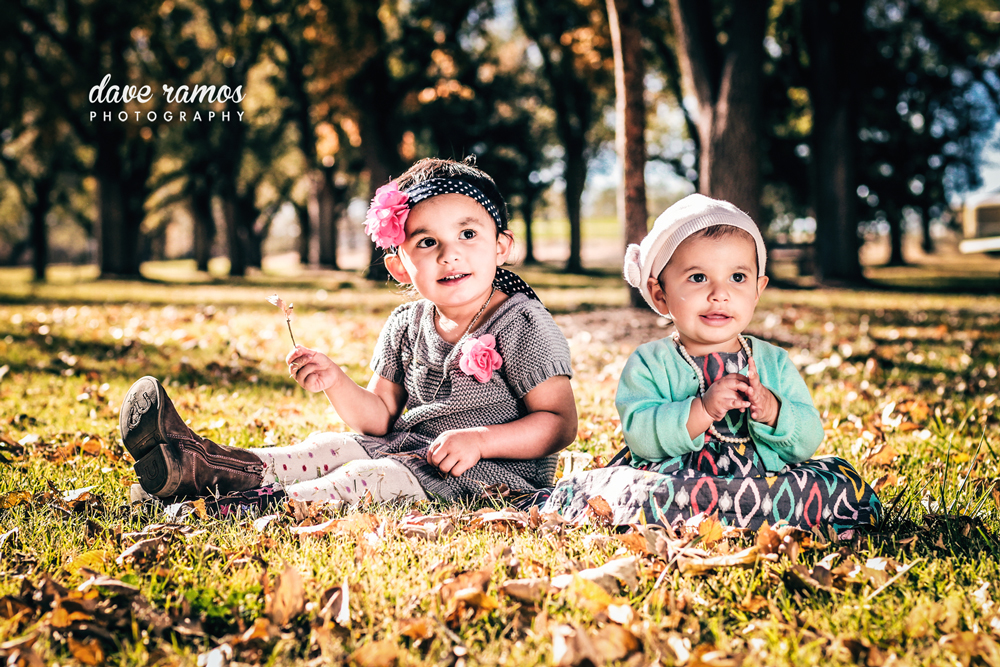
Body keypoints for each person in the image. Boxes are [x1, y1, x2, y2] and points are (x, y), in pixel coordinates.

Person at [120, 157, 577, 512]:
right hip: (402, 448)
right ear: (399, 265)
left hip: (489, 473)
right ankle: (203, 465)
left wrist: (479, 440)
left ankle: (228, 506)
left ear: (502, 246)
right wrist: (336, 381)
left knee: (361, 477)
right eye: (426, 242)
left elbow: (559, 423)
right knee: (325, 448)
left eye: (468, 234)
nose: (449, 254)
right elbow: (379, 419)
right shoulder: (405, 323)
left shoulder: (523, 324)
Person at [542, 194, 882, 535]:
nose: (720, 293)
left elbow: (808, 439)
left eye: (737, 278)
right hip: (678, 480)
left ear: (758, 289)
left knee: (839, 484)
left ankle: (745, 512)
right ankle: (735, 516)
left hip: (764, 479)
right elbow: (641, 438)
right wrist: (702, 409)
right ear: (660, 293)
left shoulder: (773, 362)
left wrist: (773, 410)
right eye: (698, 277)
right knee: (644, 494)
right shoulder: (651, 362)